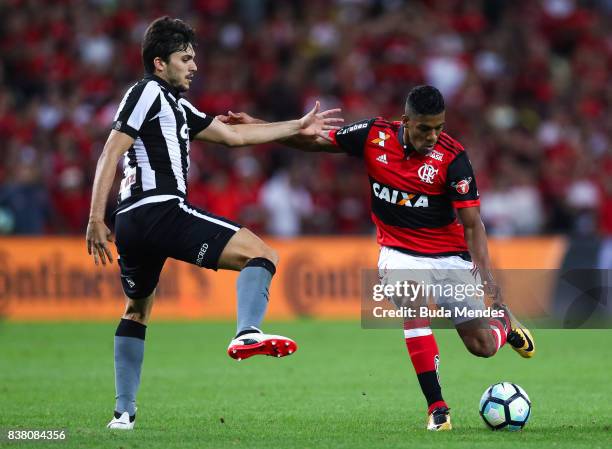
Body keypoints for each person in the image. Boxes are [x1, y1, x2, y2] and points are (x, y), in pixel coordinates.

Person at [218, 85, 536, 431]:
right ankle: (438, 409)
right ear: (405, 121)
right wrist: (258, 126)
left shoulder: (454, 159)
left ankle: (502, 323)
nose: (432, 136)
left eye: (438, 128)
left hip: (449, 257)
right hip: (399, 253)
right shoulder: (374, 135)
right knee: (413, 309)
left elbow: (473, 226)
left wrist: (491, 286)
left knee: (483, 346)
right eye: (424, 128)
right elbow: (314, 141)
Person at [85, 17, 341, 430]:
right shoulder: (147, 91)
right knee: (262, 253)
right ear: (159, 63)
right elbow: (110, 151)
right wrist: (95, 217)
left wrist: (295, 126)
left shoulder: (177, 106)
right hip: (159, 209)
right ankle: (247, 331)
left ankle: (123, 414)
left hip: (133, 222)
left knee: (136, 310)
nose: (194, 66)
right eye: (185, 58)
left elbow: (234, 137)